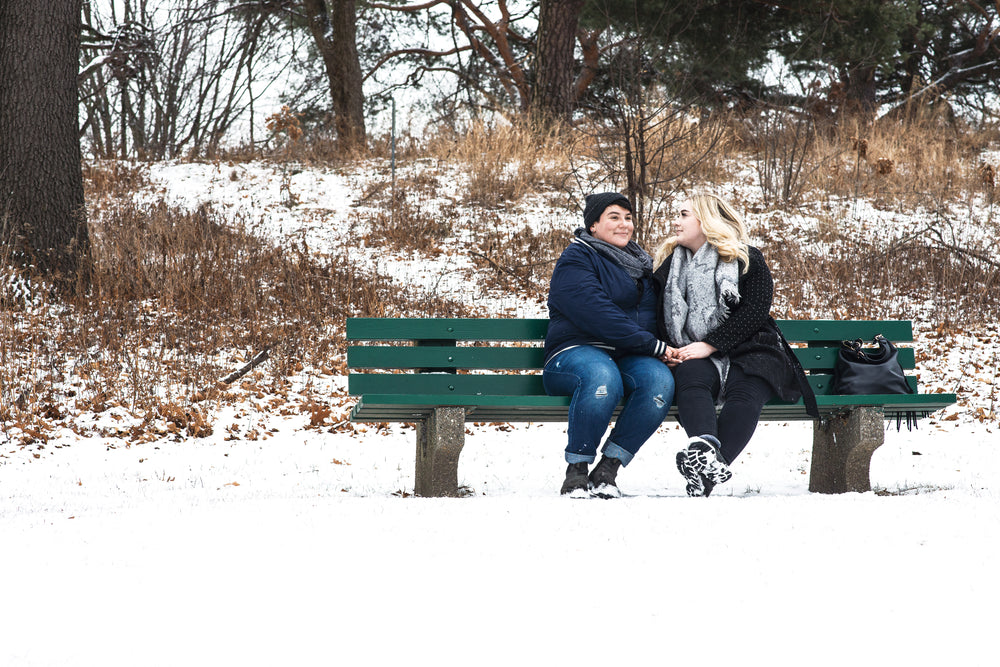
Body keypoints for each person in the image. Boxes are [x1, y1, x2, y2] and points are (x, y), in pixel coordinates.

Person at [653, 192, 818, 497]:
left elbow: (755, 310)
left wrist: (712, 344)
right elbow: (655, 315)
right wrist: (666, 349)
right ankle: (709, 460)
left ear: (708, 221)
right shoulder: (668, 264)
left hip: (753, 346)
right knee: (690, 377)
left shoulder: (745, 258)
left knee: (747, 388)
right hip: (690, 348)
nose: (675, 221)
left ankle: (707, 465)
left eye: (684, 214)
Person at [544, 192, 676, 497]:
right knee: (602, 376)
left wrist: (671, 350)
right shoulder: (577, 258)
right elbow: (597, 313)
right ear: (593, 225)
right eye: (613, 217)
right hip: (574, 354)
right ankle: (577, 470)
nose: (624, 225)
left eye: (628, 218)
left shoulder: (642, 264)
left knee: (658, 380)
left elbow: (654, 316)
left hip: (627, 354)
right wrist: (653, 346)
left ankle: (608, 470)